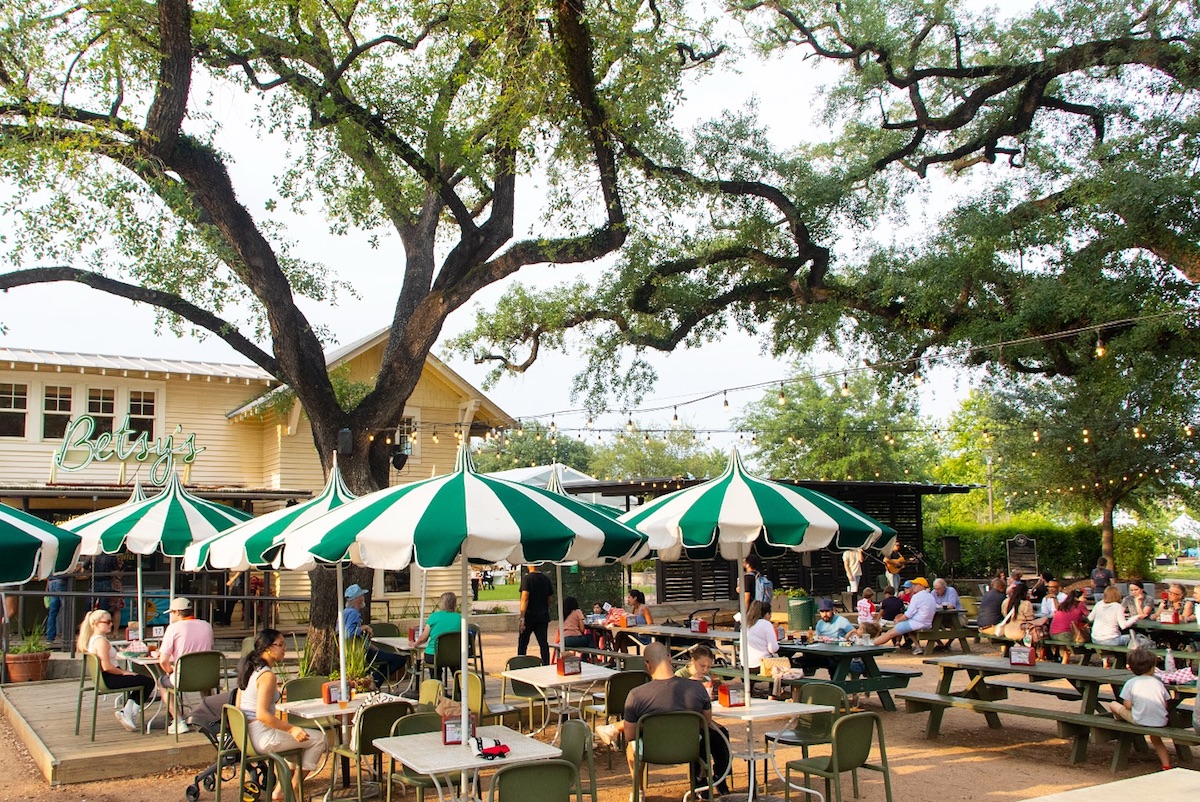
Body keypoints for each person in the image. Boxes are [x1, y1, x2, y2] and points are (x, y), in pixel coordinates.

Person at [622, 642, 731, 800]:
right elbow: (706, 723)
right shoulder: (698, 688)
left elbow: (630, 735)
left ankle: (638, 791)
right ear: (669, 658)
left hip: (652, 751)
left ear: (647, 664)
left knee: (631, 748)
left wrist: (650, 727)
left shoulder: (636, 695)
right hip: (690, 748)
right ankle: (707, 779)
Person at [238, 629, 328, 800]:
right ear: (267, 648)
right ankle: (293, 787)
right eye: (280, 645)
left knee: (297, 747)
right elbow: (262, 714)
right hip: (262, 736)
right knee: (319, 739)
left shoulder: (251, 670)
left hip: (247, 736)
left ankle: (280, 790)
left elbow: (239, 703)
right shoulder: (267, 676)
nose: (284, 649)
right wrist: (291, 729)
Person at [77, 609, 155, 733]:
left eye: (111, 621)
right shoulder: (101, 641)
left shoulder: (94, 640)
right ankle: (130, 713)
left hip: (104, 677)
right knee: (148, 682)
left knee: (141, 680)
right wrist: (124, 672)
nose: (111, 624)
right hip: (109, 677)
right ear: (96, 624)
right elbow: (107, 667)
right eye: (107, 622)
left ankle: (127, 712)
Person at [1105, 647, 1173, 771]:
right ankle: (1166, 765)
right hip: (1160, 721)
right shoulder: (1158, 683)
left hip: (1139, 719)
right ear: (1152, 667)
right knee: (1156, 739)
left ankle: (1120, 718)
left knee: (1113, 704)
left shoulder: (1131, 683)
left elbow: (1127, 705)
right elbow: (1166, 703)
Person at [158, 597, 216, 735]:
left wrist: (170, 671)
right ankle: (212, 718)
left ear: (177, 612)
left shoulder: (173, 628)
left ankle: (178, 721)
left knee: (161, 683)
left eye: (172, 613)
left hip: (183, 678)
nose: (171, 616)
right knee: (205, 685)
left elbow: (163, 660)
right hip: (208, 676)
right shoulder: (206, 625)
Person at [341, 584, 407, 688]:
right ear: (358, 599)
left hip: (352, 652)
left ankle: (373, 680)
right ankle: (374, 680)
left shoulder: (344, 613)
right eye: (362, 596)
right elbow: (348, 633)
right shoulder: (353, 613)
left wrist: (370, 645)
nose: (363, 598)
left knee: (387, 656)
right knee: (399, 659)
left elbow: (354, 637)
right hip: (361, 654)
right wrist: (364, 628)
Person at [874, 577, 935, 655]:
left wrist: (899, 620)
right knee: (908, 630)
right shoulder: (930, 596)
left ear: (921, 586)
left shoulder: (917, 596)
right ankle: (917, 647)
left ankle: (872, 644)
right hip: (927, 623)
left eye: (915, 585)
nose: (913, 586)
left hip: (916, 623)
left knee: (890, 633)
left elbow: (908, 614)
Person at [799, 598, 854, 676]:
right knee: (805, 656)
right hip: (823, 652)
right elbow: (816, 638)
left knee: (832, 662)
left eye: (827, 611)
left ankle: (835, 680)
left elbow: (853, 631)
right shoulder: (820, 623)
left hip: (838, 653)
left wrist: (846, 638)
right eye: (822, 611)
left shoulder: (841, 620)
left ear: (833, 610)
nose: (825, 614)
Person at [413, 592, 461, 668]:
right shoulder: (460, 618)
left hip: (434, 655)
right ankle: (457, 675)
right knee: (455, 665)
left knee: (434, 666)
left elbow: (423, 638)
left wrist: (415, 644)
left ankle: (436, 675)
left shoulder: (434, 616)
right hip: (454, 654)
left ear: (442, 603)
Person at [517, 564, 554, 664]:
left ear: (529, 565)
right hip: (543, 615)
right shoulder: (546, 579)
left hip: (529, 616)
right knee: (543, 643)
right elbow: (550, 599)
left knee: (523, 642)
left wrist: (522, 617)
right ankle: (546, 664)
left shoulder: (527, 579)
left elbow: (525, 597)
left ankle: (520, 664)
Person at [744, 600, 779, 673]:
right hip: (760, 665)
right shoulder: (766, 624)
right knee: (786, 664)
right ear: (767, 614)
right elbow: (773, 649)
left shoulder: (746, 624)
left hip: (745, 665)